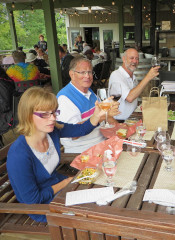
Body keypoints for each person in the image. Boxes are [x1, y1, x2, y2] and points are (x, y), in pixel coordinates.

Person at [6, 87, 118, 222]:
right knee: (96, 214)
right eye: (45, 114)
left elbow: (81, 129)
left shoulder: (52, 131)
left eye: (54, 112)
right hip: (43, 207)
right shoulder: (19, 155)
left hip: (61, 189)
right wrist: (65, 182)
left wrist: (97, 115)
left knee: (105, 195)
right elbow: (33, 200)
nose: (53, 118)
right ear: (28, 115)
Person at [56, 57, 119, 153]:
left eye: (90, 72)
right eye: (82, 72)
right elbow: (74, 134)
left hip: (102, 143)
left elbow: (107, 117)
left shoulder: (90, 92)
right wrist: (102, 117)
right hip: (82, 152)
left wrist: (118, 128)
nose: (88, 76)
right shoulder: (65, 98)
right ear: (72, 74)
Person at [108, 48, 160, 120]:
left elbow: (135, 96)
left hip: (133, 117)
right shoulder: (116, 75)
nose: (135, 61)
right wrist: (148, 77)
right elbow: (129, 98)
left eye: (137, 59)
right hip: (119, 121)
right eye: (131, 58)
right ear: (124, 59)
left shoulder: (133, 77)